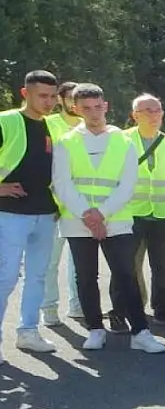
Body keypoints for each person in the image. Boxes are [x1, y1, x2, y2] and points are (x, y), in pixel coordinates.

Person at [52, 83, 165, 353]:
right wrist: (89, 216)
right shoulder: (66, 141)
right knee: (86, 276)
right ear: (75, 109)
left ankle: (140, 332)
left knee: (126, 274)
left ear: (106, 106)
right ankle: (95, 329)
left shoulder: (122, 140)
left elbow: (127, 184)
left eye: (97, 107)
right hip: (78, 221)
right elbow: (61, 183)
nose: (93, 113)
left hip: (115, 220)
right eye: (86, 108)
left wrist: (101, 215)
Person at [107, 93, 165, 331]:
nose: (154, 115)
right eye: (147, 111)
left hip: (161, 213)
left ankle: (163, 309)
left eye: (158, 110)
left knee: (161, 266)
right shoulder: (120, 139)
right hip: (129, 214)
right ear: (134, 116)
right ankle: (119, 311)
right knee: (125, 265)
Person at [0, 70, 63, 361]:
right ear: (25, 94)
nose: (49, 102)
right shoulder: (7, 120)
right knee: (5, 277)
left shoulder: (54, 127)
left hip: (45, 212)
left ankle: (28, 332)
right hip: (10, 213)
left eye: (53, 96)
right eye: (42, 96)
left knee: (37, 276)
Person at [41, 80, 84, 325]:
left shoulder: (87, 126)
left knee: (80, 262)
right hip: (53, 205)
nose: (75, 103)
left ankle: (77, 307)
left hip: (80, 205)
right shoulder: (48, 124)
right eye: (70, 98)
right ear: (61, 99)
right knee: (50, 261)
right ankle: (49, 309)